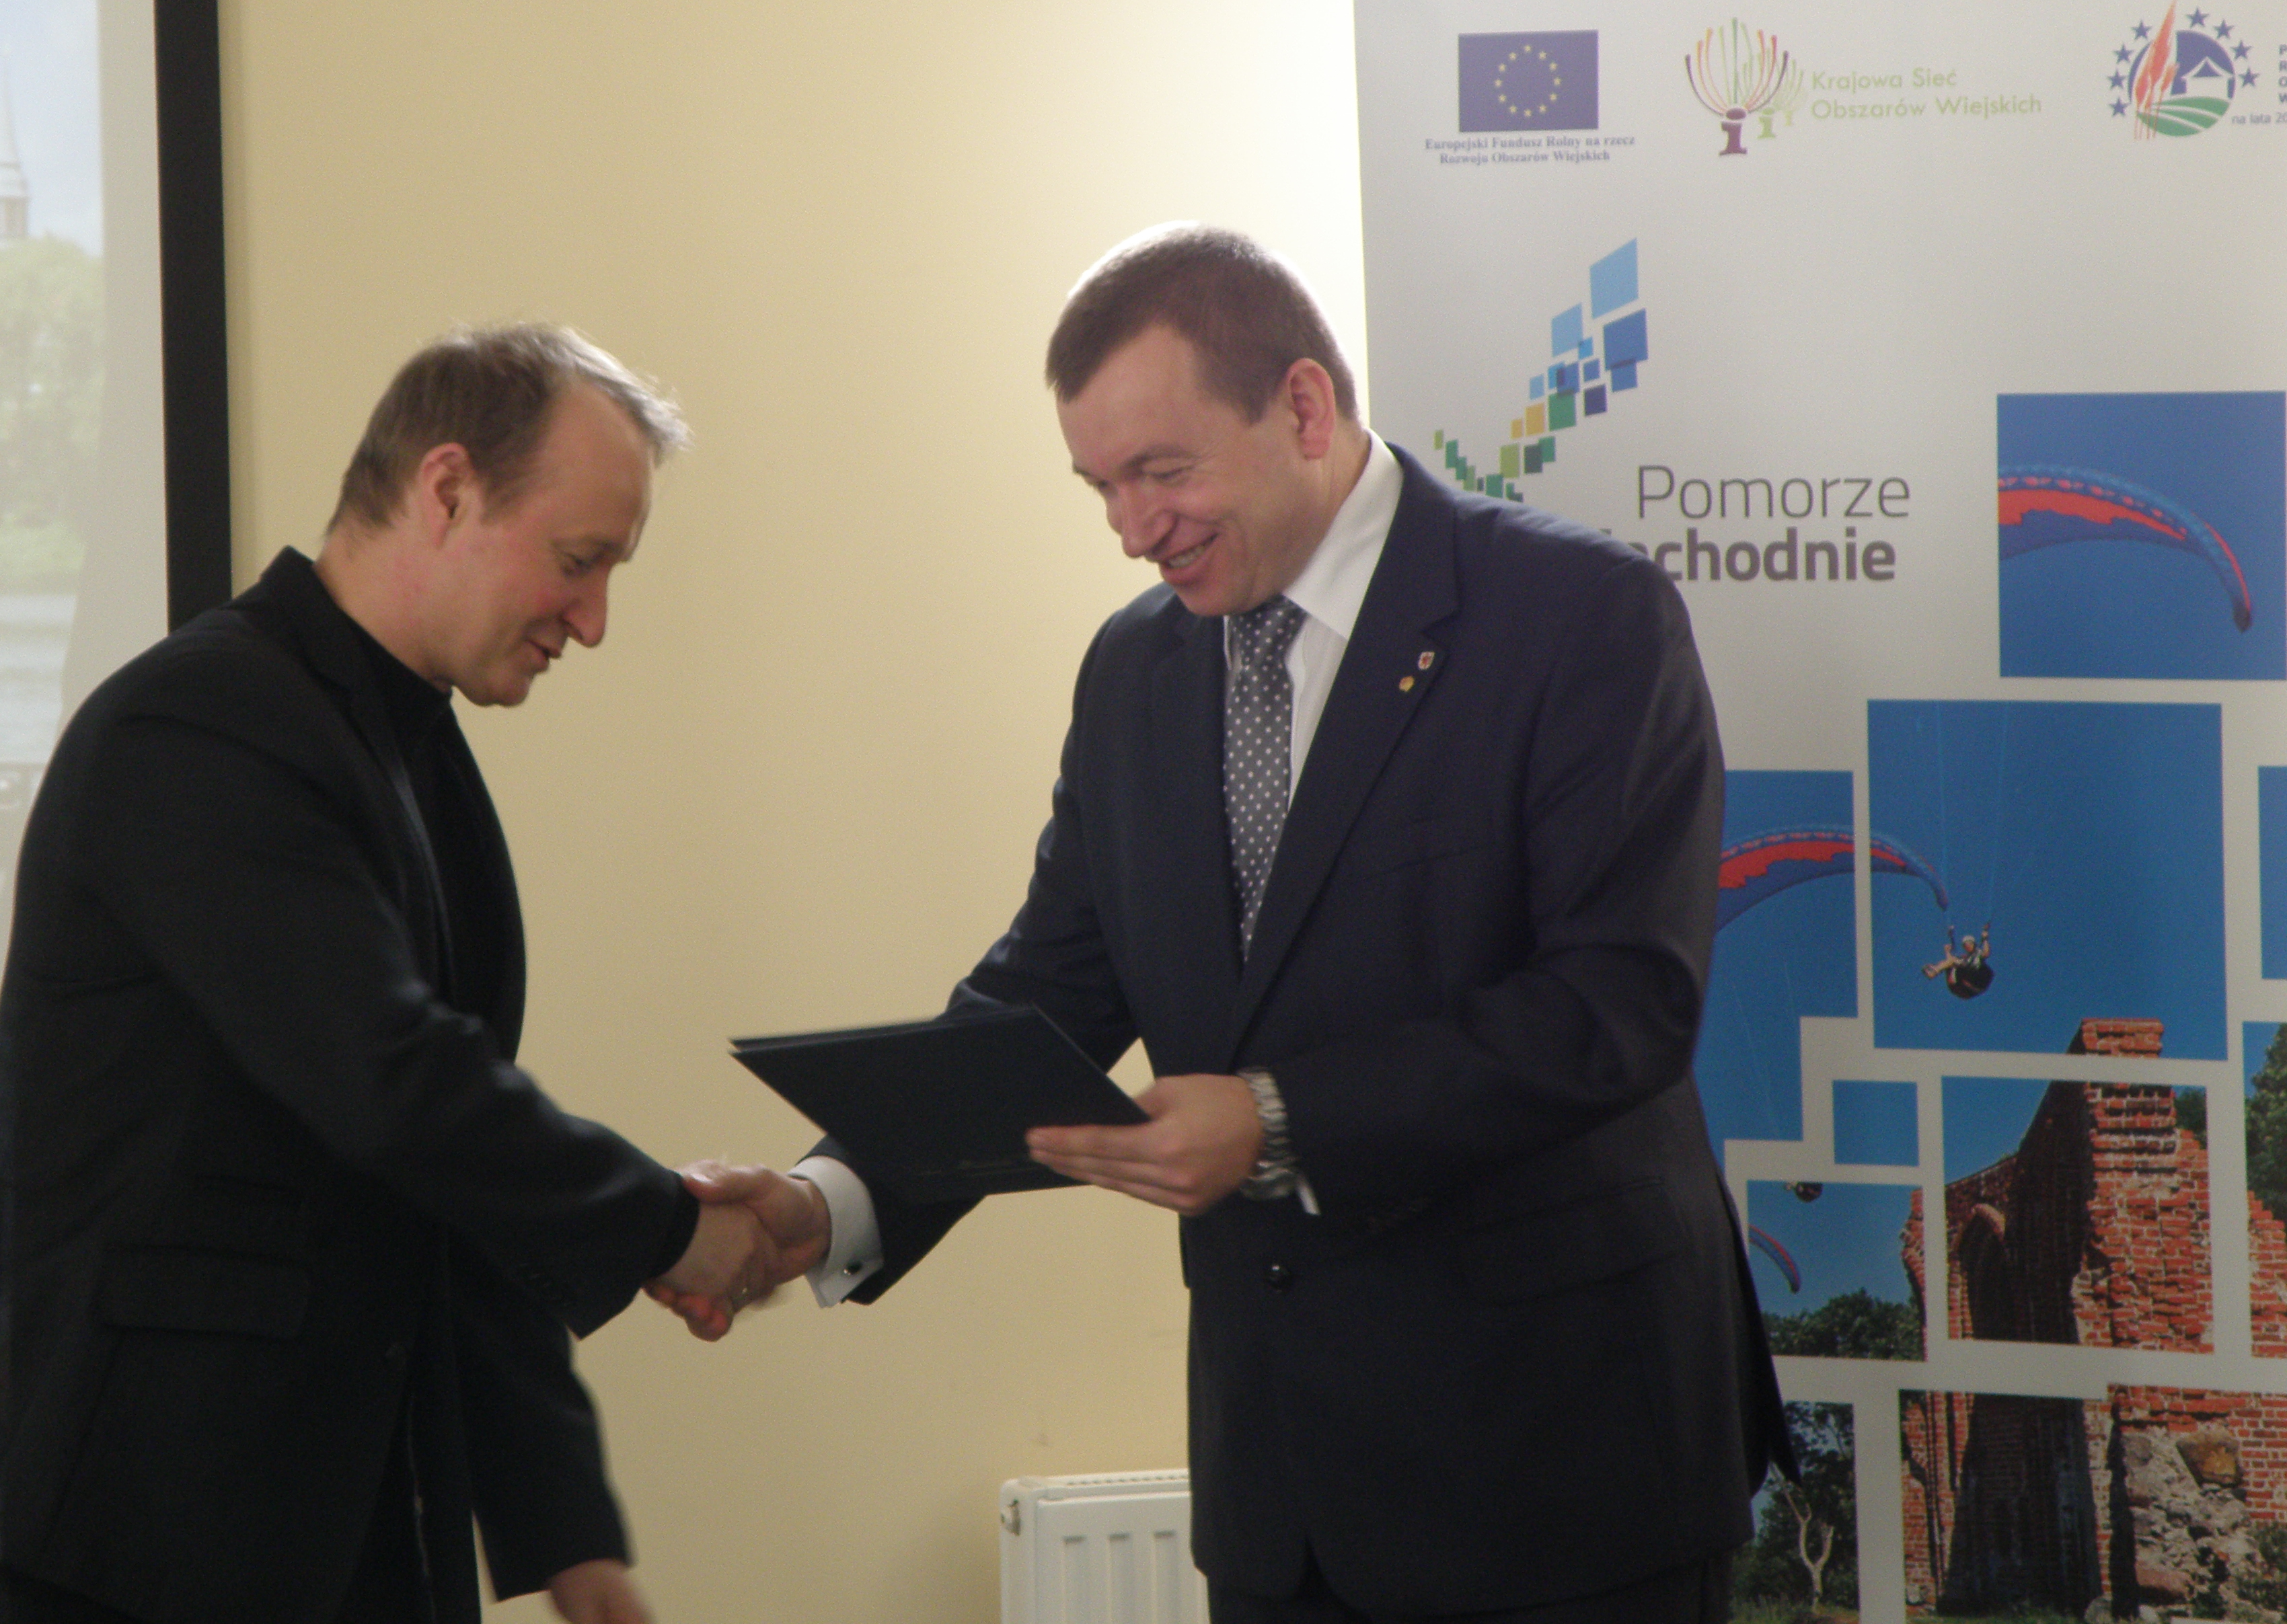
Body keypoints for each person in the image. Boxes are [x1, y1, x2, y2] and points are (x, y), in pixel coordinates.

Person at [677, 226, 1791, 1622]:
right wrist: (825, 1200)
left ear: (1304, 407)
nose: (1132, 529)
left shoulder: (1578, 615)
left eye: (1163, 472)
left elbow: (1618, 1005)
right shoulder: (1133, 669)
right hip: (1284, 1508)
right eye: (1100, 487)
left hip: (1558, 1474)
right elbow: (1049, 994)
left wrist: (1274, 1120)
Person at [0, 326, 808, 1624]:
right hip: (94, 1540)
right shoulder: (199, 723)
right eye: (578, 560)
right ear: (447, 488)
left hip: (305, 1536)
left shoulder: (413, 755)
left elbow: (442, 1179)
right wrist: (671, 1227)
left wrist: (564, 1535)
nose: (592, 621)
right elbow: (393, 1085)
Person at [1923, 924, 1994, 999]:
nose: (1968, 946)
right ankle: (1935, 970)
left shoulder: (1977, 953)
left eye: (1970, 943)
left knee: (1954, 961)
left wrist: (1985, 939)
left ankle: (1935, 971)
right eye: (1965, 945)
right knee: (1952, 962)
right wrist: (1947, 952)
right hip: (1966, 984)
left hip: (1977, 979)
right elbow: (1951, 964)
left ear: (1974, 944)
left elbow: (1986, 953)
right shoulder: (1965, 958)